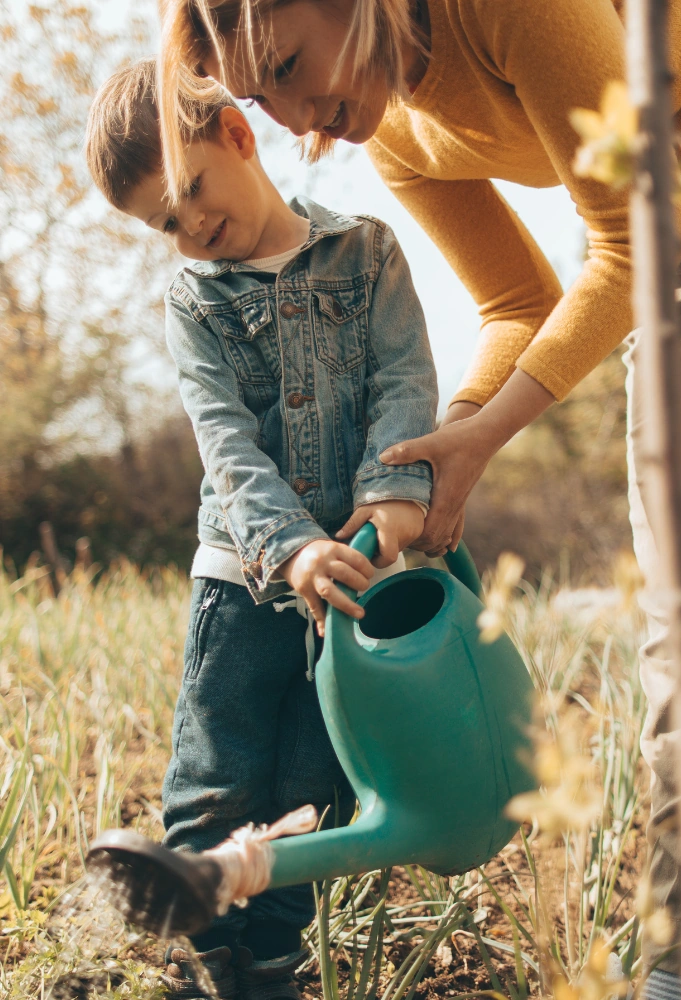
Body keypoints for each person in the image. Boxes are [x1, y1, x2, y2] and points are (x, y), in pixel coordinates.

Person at [155, 2, 681, 999]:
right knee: (680, 611)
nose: (288, 118)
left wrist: (490, 432)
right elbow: (515, 305)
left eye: (285, 64)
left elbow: (628, 228)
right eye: (256, 94)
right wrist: (443, 444)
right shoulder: (396, 128)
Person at [85, 57, 437, 1000]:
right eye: (167, 222)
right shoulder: (194, 302)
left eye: (192, 191)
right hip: (242, 578)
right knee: (220, 762)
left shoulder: (369, 253)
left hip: (353, 583)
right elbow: (226, 446)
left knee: (311, 783)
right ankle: (195, 936)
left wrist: (395, 494)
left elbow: (402, 382)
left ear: (239, 137)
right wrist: (293, 547)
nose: (191, 226)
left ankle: (271, 960)